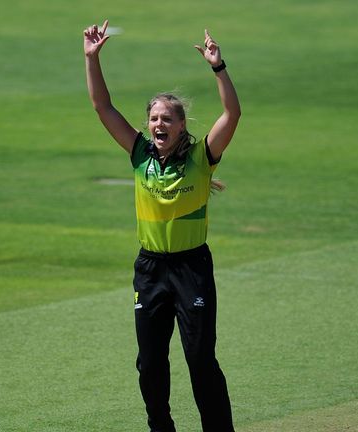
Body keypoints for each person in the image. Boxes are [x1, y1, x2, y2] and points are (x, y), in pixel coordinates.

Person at [83, 20, 240, 432]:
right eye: (153, 118)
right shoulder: (139, 154)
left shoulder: (201, 158)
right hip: (150, 270)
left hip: (191, 269)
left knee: (199, 359)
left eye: (166, 119)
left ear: (181, 125)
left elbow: (232, 114)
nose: (158, 125)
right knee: (150, 362)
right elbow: (102, 107)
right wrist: (91, 59)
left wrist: (218, 68)